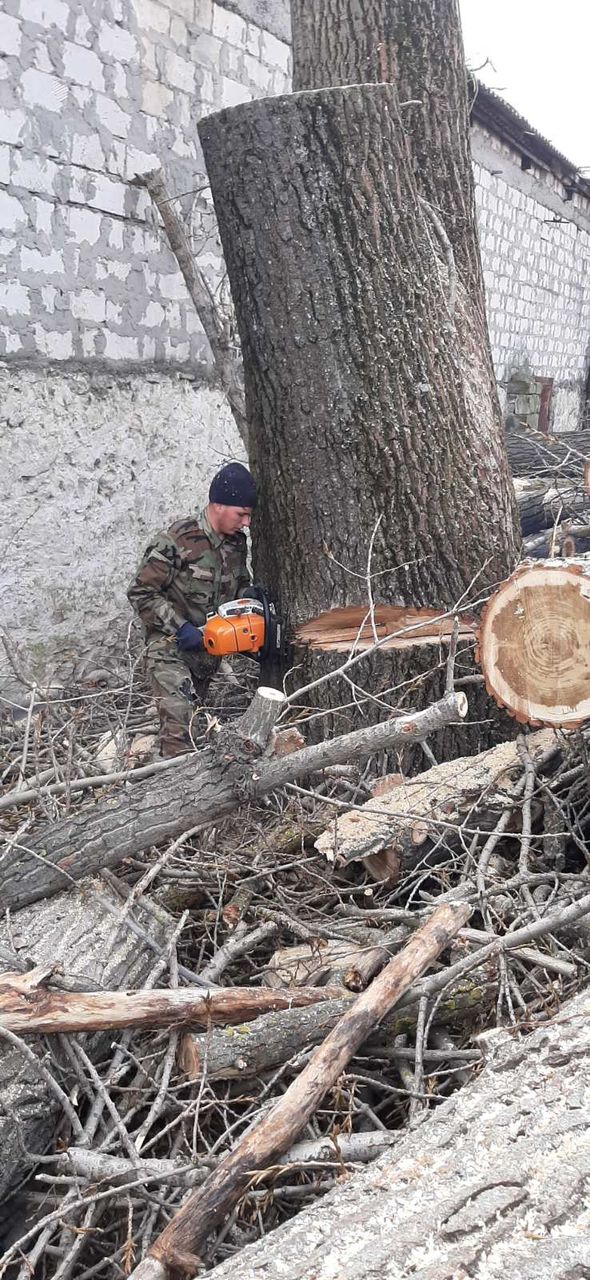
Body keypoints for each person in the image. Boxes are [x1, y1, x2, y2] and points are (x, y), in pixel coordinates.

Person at [127, 462, 256, 757]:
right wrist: (180, 626)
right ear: (218, 506)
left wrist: (248, 601)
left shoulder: (237, 544)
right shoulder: (176, 540)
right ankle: (174, 793)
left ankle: (163, 777)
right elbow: (141, 592)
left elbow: (239, 585)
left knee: (193, 727)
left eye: (249, 515)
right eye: (242, 514)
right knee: (180, 729)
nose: (246, 522)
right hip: (169, 649)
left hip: (206, 654)